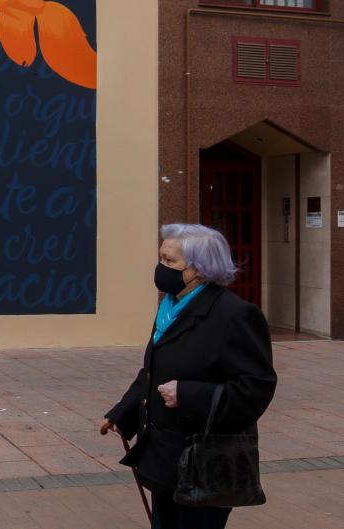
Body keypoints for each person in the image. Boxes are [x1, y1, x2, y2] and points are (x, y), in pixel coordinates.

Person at [101, 223, 277, 529]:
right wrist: (124, 411)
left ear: (199, 269)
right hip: (164, 458)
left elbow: (255, 389)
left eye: (170, 262)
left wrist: (188, 394)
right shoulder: (171, 307)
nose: (161, 267)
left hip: (203, 463)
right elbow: (153, 370)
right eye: (161, 258)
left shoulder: (235, 315)